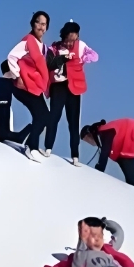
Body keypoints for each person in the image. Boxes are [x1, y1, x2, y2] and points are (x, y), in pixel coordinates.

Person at [44, 21, 98, 166]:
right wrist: (61, 58)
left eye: (73, 40)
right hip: (59, 85)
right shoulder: (55, 47)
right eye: (68, 40)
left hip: (74, 86)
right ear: (63, 37)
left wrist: (83, 58)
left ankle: (75, 155)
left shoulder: (81, 46)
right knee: (54, 116)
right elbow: (48, 63)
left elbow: (94, 56)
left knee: (73, 122)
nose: (70, 44)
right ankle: (48, 147)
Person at [7, 11, 51, 162]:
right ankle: (31, 147)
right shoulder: (28, 41)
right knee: (41, 116)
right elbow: (11, 56)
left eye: (44, 24)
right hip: (24, 86)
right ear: (33, 23)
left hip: (35, 87)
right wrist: (17, 75)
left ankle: (30, 142)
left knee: (45, 117)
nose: (41, 27)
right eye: (38, 22)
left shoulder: (43, 47)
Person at [80, 118, 134, 188]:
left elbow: (105, 153)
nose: (89, 143)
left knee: (125, 159)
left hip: (131, 129)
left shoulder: (104, 132)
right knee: (123, 160)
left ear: (90, 134)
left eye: (87, 139)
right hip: (133, 130)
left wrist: (98, 171)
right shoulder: (102, 133)